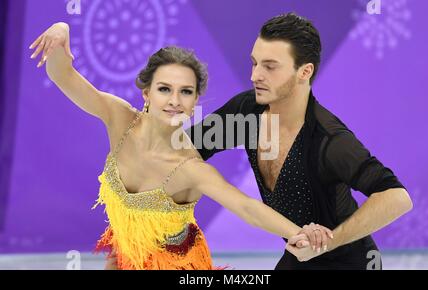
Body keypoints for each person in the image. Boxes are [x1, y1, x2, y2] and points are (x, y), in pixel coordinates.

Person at [29, 22, 332, 270]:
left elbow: (245, 206)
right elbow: (62, 75)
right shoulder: (119, 118)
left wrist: (298, 233)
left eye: (186, 92)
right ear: (146, 92)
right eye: (164, 89)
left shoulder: (189, 167)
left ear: (195, 102)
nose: (174, 101)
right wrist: (60, 29)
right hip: (125, 251)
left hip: (178, 266)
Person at [187, 13, 413, 270]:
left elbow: (397, 197)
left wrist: (327, 243)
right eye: (254, 63)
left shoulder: (329, 140)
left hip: (350, 262)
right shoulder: (247, 111)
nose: (255, 75)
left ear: (305, 71)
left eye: (270, 67)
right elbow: (183, 149)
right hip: (298, 257)